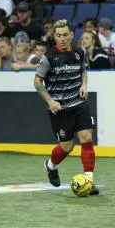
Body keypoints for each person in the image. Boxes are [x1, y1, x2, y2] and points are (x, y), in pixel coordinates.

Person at [34, 19, 99, 195]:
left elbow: (83, 70)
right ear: (54, 37)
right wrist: (50, 101)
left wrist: (84, 85)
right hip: (60, 109)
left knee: (86, 137)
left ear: (71, 35)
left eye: (65, 35)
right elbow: (37, 82)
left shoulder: (80, 52)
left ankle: (88, 180)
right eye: (58, 35)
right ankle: (51, 165)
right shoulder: (48, 58)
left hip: (79, 104)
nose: (62, 38)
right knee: (67, 146)